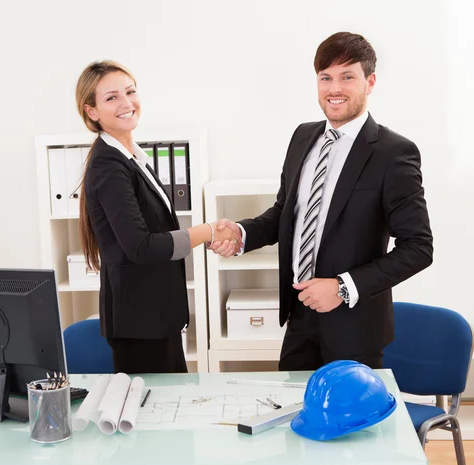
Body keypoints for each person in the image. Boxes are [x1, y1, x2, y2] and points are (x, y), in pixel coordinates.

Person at [211, 32, 433, 371]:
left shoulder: (394, 153)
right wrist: (243, 233)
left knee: (350, 425)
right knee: (293, 418)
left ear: (370, 82)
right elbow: (286, 213)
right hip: (299, 316)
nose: (334, 89)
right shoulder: (303, 136)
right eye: (325, 77)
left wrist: (343, 288)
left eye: (347, 77)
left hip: (354, 328)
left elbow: (418, 248)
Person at [75, 60, 240, 374]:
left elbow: (157, 229)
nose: (126, 103)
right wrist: (206, 232)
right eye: (111, 98)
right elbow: (141, 246)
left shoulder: (132, 156)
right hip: (139, 323)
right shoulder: (109, 166)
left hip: (155, 315)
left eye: (130, 91)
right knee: (153, 414)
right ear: (92, 111)